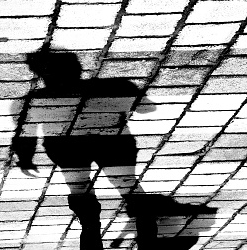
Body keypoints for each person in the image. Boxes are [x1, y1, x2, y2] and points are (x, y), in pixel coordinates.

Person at [11, 48, 216, 250]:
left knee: (79, 185)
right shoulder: (116, 86)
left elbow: (26, 134)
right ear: (77, 68)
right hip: (112, 143)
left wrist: (26, 158)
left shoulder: (33, 101)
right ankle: (146, 229)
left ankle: (90, 226)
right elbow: (147, 107)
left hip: (66, 147)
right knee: (126, 183)